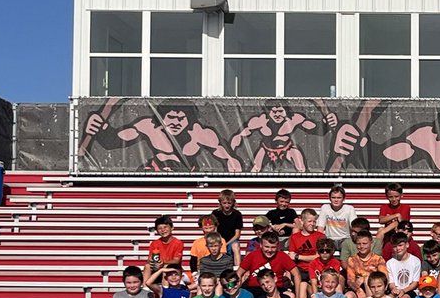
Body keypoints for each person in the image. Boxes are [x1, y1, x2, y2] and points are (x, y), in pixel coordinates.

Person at [82, 101, 242, 172]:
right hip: (154, 171)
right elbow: (113, 141)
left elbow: (229, 159)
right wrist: (100, 127)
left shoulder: (200, 133)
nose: (176, 122)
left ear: (189, 120)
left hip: (189, 176)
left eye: (181, 118)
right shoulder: (149, 126)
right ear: (162, 117)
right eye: (171, 117)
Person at [229, 99, 337, 172]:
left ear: (286, 111)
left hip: (287, 148)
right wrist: (231, 156)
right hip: (266, 149)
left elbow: (315, 128)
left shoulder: (294, 119)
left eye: (280, 111)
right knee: (254, 170)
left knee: (301, 168)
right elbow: (239, 136)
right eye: (274, 111)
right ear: (268, 112)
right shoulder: (260, 121)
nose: (277, 115)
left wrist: (325, 122)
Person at [238, 231, 301, 298]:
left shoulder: (282, 256)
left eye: (273, 247)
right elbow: (238, 273)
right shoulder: (252, 255)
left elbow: (297, 274)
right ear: (261, 245)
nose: (270, 250)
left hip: (276, 288)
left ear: (277, 246)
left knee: (291, 296)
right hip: (255, 288)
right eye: (267, 247)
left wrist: (298, 297)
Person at [289, 208, 323, 298]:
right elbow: (291, 256)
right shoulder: (295, 237)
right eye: (309, 221)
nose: (312, 224)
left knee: (309, 284)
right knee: (300, 280)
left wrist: (298, 257)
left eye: (314, 221)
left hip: (316, 268)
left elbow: (318, 256)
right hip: (300, 269)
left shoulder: (320, 236)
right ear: (302, 221)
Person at [345, 230, 387, 298]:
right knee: (348, 297)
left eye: (364, 243)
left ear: (371, 243)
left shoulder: (378, 259)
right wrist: (359, 290)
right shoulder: (352, 260)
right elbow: (350, 280)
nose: (361, 246)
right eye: (359, 244)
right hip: (357, 288)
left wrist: (364, 278)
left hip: (374, 288)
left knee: (367, 279)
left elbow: (384, 277)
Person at [143, 215, 184, 286]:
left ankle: (165, 289)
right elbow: (150, 258)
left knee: (166, 267)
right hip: (157, 268)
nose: (163, 230)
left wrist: (163, 263)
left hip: (172, 269)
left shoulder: (178, 243)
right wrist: (152, 262)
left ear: (172, 228)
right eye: (160, 228)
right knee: (147, 266)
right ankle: (145, 288)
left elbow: (176, 260)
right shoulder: (154, 243)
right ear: (157, 231)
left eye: (165, 227)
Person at [385, 231, 423, 298]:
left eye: (400, 245)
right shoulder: (390, 263)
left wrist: (404, 290)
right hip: (396, 290)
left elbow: (415, 283)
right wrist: (394, 289)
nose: (398, 248)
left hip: (410, 290)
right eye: (395, 246)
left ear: (407, 245)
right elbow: (391, 282)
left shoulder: (415, 261)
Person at [211, 189, 244, 263]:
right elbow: (213, 230)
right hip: (218, 240)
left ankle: (237, 268)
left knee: (235, 245)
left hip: (231, 241)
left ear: (233, 203)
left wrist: (226, 244)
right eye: (224, 203)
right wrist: (219, 242)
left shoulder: (237, 214)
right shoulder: (216, 213)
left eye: (229, 203)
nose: (227, 205)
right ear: (220, 203)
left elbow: (237, 234)